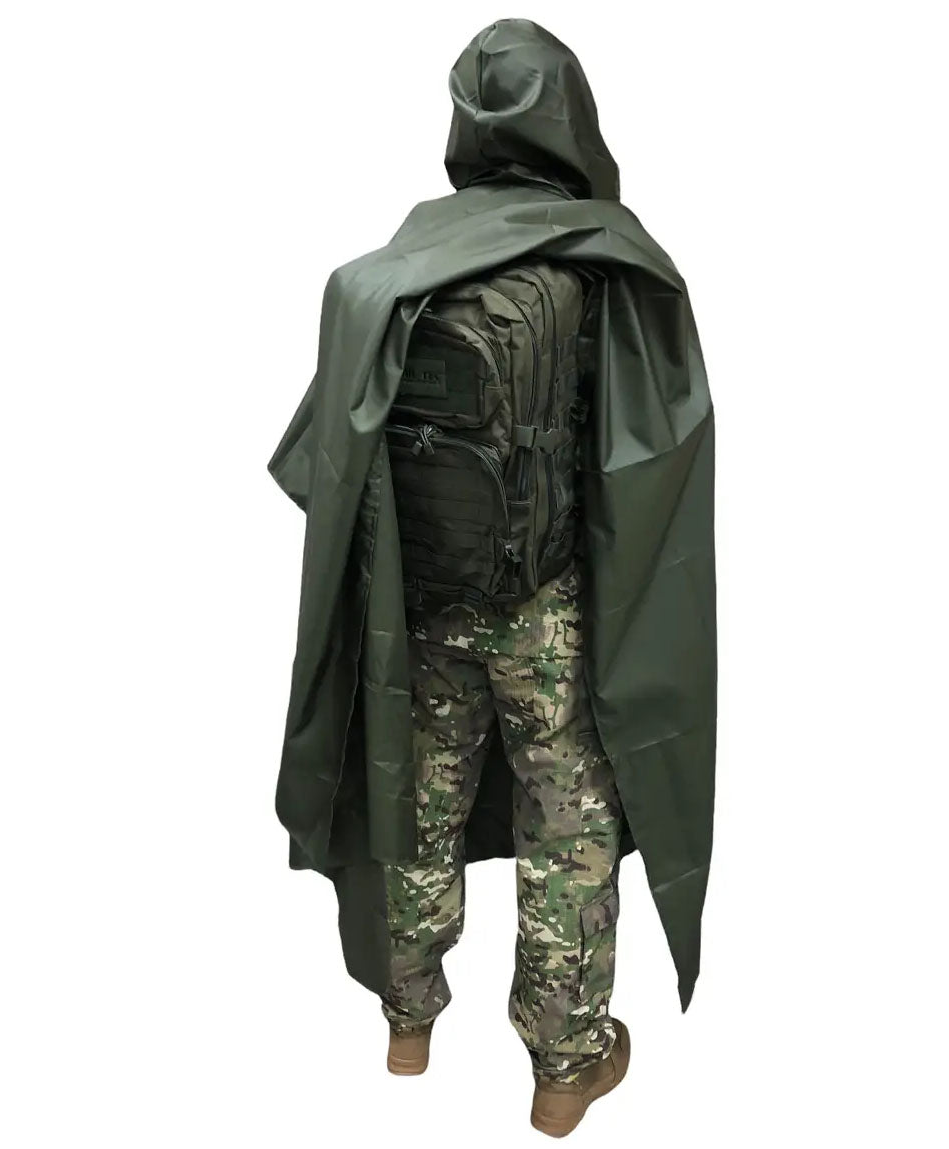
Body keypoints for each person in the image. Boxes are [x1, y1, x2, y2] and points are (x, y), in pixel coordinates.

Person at [268, 19, 716, 1139]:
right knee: (568, 822)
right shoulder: (608, 260)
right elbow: (653, 462)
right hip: (549, 609)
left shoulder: (393, 266)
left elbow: (319, 462)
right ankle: (566, 1067)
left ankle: (407, 1020)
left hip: (419, 601)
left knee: (416, 792)